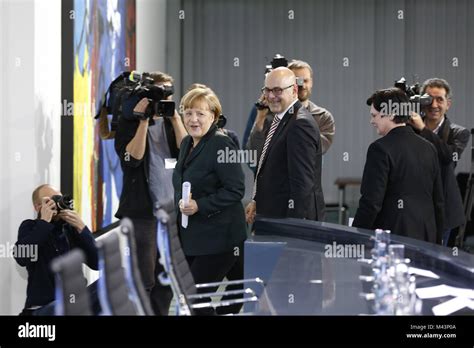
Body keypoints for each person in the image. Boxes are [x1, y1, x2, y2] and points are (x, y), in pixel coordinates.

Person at [114, 71, 186, 315]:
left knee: (166, 279)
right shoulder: (129, 122)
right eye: (157, 92)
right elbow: (131, 159)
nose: (160, 98)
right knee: (144, 280)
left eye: (166, 92)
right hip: (142, 213)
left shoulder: (171, 121)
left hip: (171, 213)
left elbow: (187, 153)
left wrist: (175, 117)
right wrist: (143, 121)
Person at [172, 87, 247, 315]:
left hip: (220, 239)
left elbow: (236, 189)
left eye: (201, 114)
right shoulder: (187, 143)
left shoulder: (220, 143)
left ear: (213, 117)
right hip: (195, 237)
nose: (193, 119)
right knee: (231, 296)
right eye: (189, 113)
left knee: (195, 299)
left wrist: (199, 205)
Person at [353, 88, 444, 244]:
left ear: (392, 114)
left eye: (374, 116)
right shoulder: (429, 148)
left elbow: (371, 202)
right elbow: (438, 201)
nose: (372, 121)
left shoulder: (379, 149)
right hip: (426, 237)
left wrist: (355, 234)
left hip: (393, 240)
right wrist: (437, 240)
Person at [245, 67, 325, 224]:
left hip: (289, 223)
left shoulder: (300, 124)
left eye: (277, 90)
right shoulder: (280, 119)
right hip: (274, 216)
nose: (270, 96)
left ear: (294, 90)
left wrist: (291, 229)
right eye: (267, 90)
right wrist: (257, 200)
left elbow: (302, 186)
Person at [15, 184, 99, 315]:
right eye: (51, 200)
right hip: (44, 307)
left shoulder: (69, 229)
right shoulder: (30, 227)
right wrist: (44, 222)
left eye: (59, 198)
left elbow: (97, 263)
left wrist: (81, 227)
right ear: (38, 207)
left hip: (75, 302)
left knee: (112, 281)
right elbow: (22, 258)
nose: (57, 203)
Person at [408, 78, 470, 246]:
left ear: (448, 104)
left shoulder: (459, 133)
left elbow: (447, 157)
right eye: (429, 99)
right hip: (411, 207)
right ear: (421, 102)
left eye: (440, 99)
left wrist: (423, 129)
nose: (434, 105)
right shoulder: (408, 128)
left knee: (435, 261)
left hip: (442, 210)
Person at [245, 59, 335, 171]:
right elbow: (252, 157)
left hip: (305, 183)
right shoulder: (268, 114)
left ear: (311, 82)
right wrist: (260, 119)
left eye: (305, 80)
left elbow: (314, 150)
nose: (301, 85)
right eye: (297, 81)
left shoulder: (322, 117)